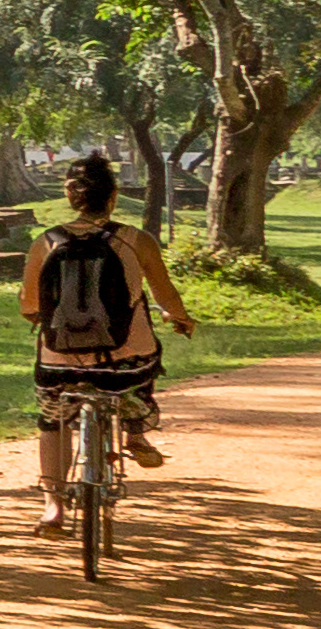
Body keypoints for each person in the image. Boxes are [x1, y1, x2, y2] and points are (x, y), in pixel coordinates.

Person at [19, 154, 195, 535]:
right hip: (125, 363)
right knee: (144, 368)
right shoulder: (137, 240)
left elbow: (29, 305)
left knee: (52, 421)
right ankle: (134, 428)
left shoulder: (46, 242)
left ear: (70, 195)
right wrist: (179, 318)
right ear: (114, 196)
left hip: (59, 363)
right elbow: (166, 296)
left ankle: (52, 507)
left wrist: (42, 317)